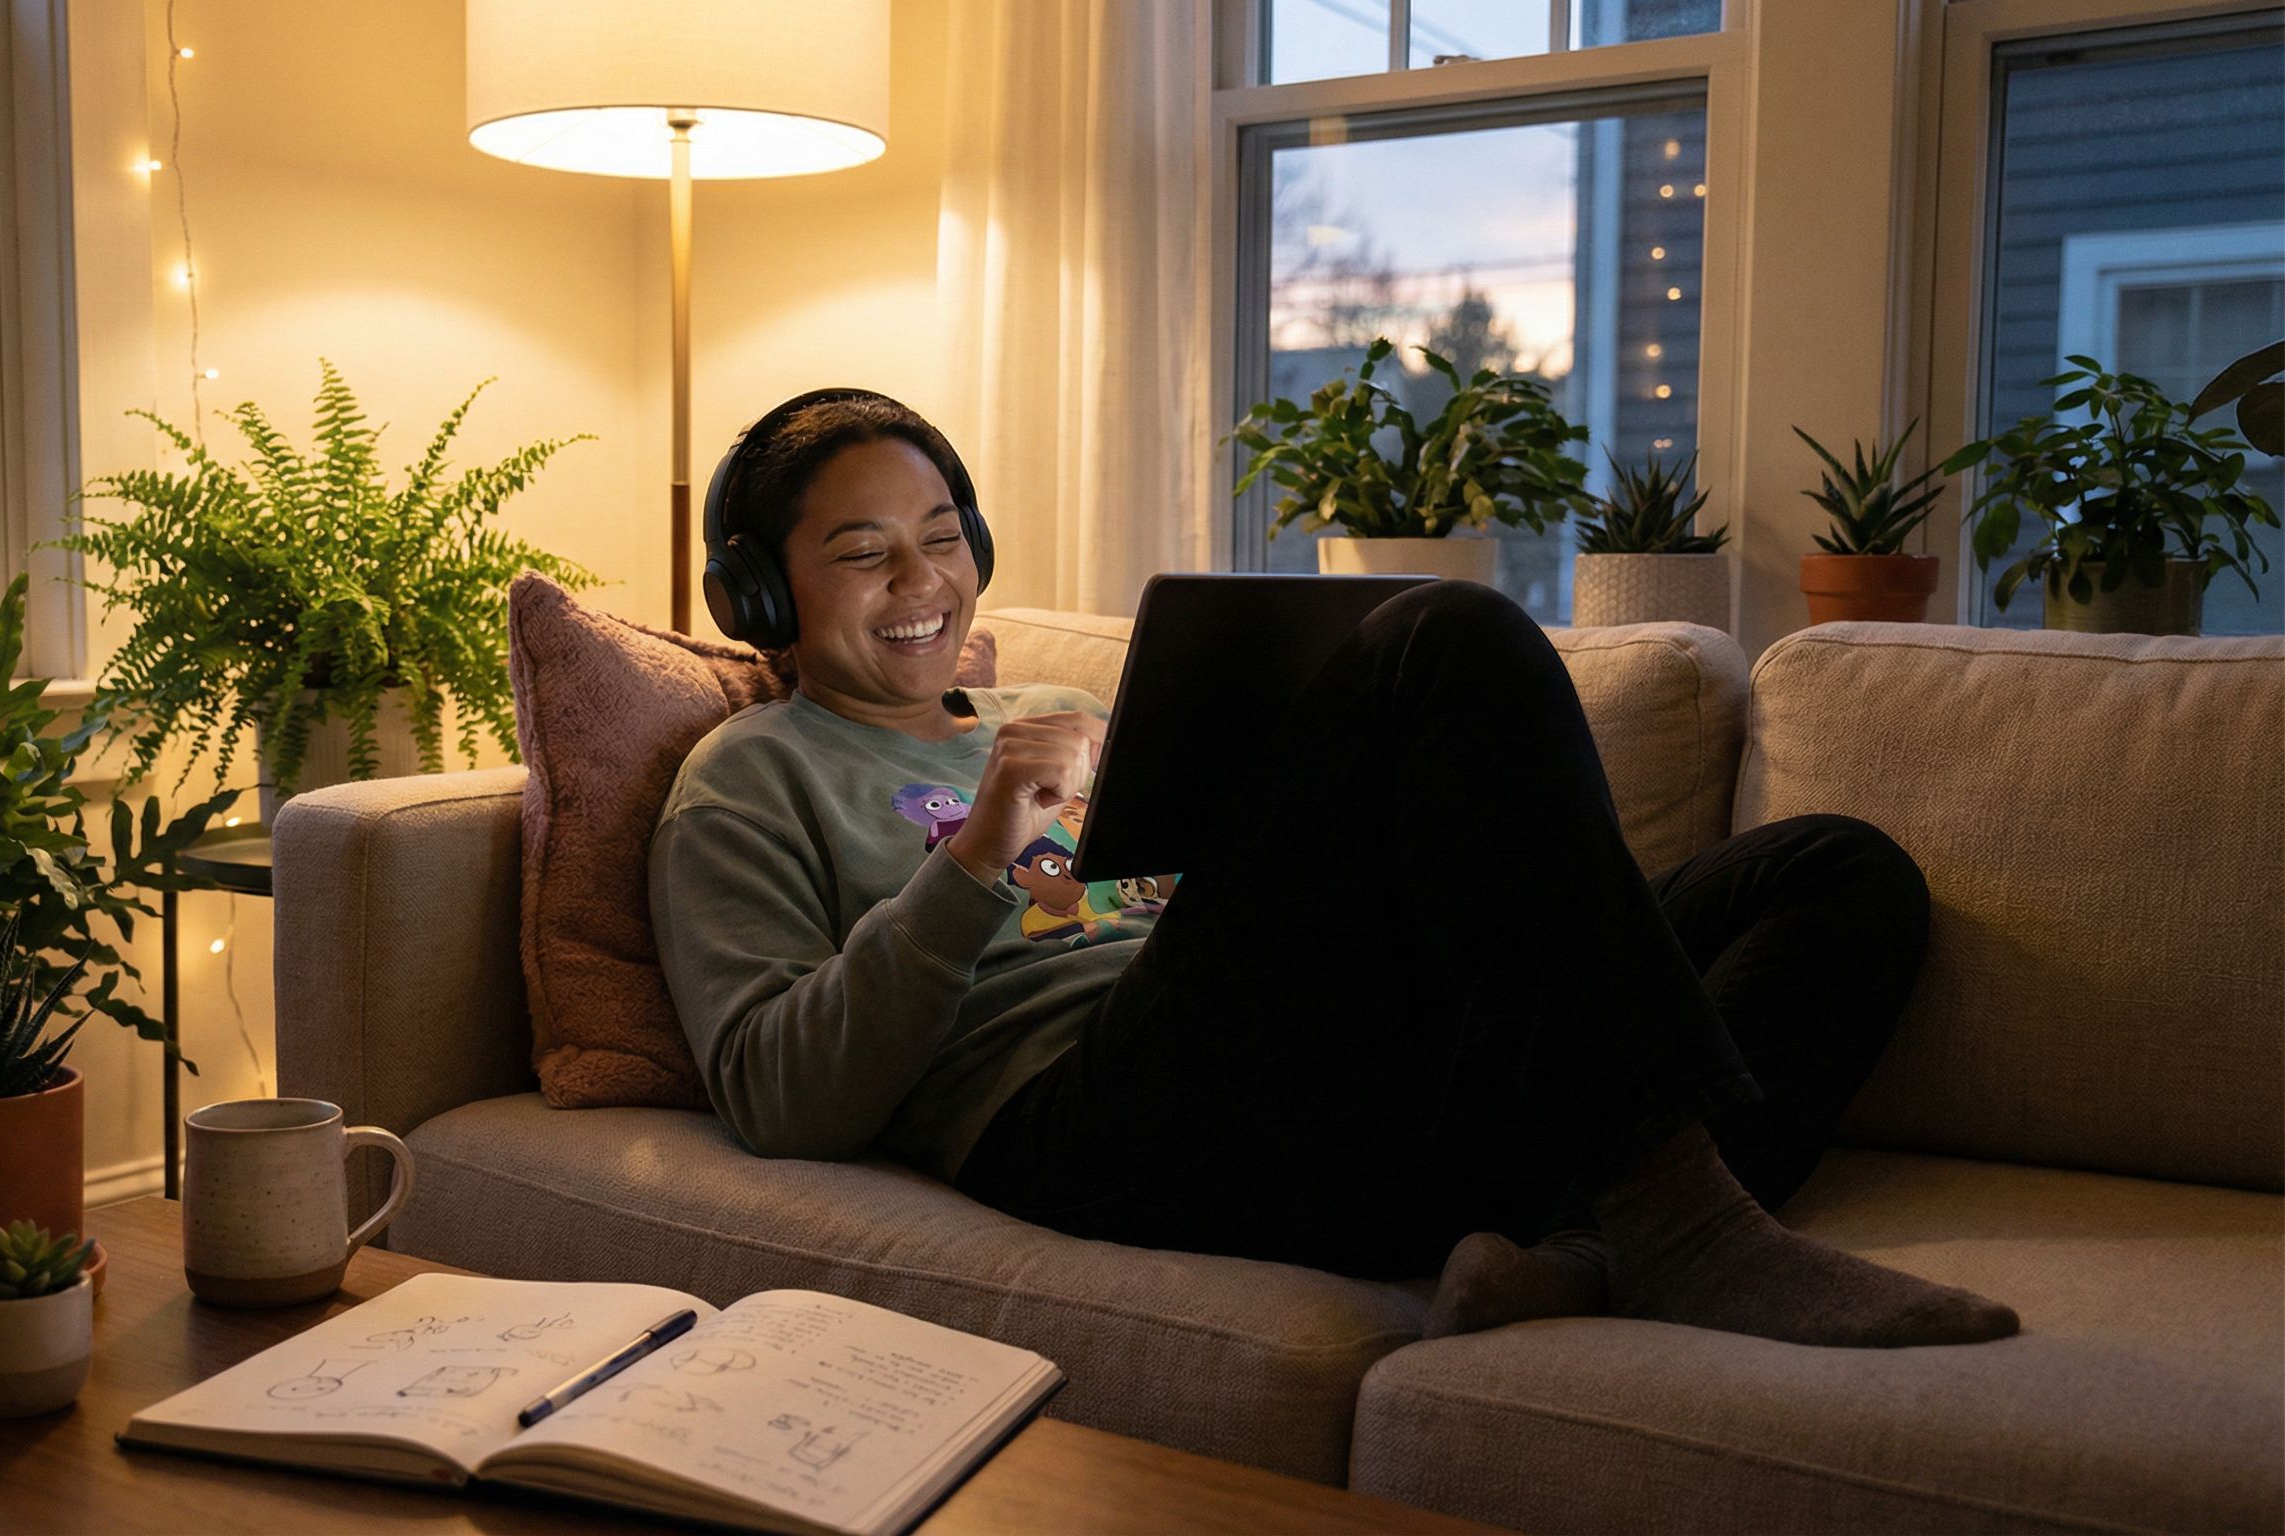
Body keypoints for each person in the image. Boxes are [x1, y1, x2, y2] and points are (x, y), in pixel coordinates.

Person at [649, 389, 2019, 1347]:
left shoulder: (1046, 714)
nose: (923, 579)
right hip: (1081, 1115)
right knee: (1450, 637)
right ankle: (1692, 1231)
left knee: (1836, 875)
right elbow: (776, 1092)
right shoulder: (749, 775)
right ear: (761, 594)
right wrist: (972, 871)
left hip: (1297, 1072)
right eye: (861, 551)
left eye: (942, 534)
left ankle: (1581, 1264)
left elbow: (1172, 914)